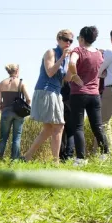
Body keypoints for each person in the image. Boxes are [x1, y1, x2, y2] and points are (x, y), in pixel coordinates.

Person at [23, 30, 73, 162]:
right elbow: (50, 72)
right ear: (58, 39)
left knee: (48, 129)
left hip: (56, 92)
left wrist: (73, 66)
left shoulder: (67, 57)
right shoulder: (51, 52)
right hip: (46, 90)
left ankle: (27, 156)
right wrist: (62, 57)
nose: (68, 42)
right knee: (59, 126)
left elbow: (67, 78)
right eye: (65, 39)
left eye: (70, 41)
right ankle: (55, 162)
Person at [67, 26, 109, 164]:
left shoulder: (78, 50)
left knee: (78, 127)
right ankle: (105, 155)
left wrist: (74, 75)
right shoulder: (98, 53)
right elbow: (103, 72)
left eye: (78, 38)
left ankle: (80, 159)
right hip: (95, 95)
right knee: (97, 126)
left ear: (82, 38)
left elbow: (72, 62)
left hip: (78, 94)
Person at [0, 64, 30, 160]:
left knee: (3, 137)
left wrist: (4, 105)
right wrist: (24, 106)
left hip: (6, 112)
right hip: (18, 113)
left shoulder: (1, 83)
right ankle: (14, 160)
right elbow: (29, 99)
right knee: (17, 138)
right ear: (17, 70)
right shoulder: (21, 83)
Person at [58, 81, 74, 161]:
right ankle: (69, 155)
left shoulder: (61, 78)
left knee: (61, 131)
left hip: (61, 104)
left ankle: (62, 156)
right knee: (71, 132)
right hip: (72, 104)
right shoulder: (73, 78)